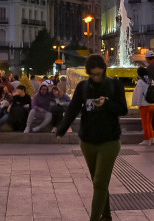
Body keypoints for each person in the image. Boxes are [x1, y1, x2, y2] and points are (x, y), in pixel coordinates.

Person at [56, 54, 127, 221]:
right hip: (88, 141)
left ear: (104, 71)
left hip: (109, 141)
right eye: (93, 74)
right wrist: (62, 129)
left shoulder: (114, 85)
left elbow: (123, 109)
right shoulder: (83, 87)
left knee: (100, 182)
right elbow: (73, 109)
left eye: (99, 74)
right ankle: (107, 216)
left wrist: (107, 103)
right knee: (99, 183)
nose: (96, 77)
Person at [133, 66, 154, 145]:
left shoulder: (141, 81)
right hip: (152, 104)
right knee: (149, 122)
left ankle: (147, 139)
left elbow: (139, 93)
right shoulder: (151, 80)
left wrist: (139, 103)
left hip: (144, 104)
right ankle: (152, 138)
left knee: (145, 123)